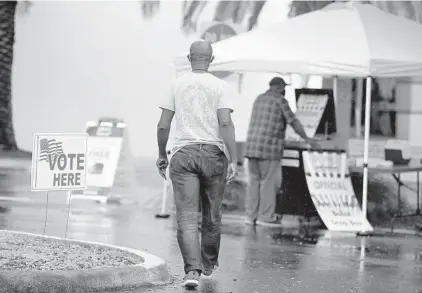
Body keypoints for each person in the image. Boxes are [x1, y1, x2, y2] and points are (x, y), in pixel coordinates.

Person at [156, 39, 238, 288]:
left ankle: (192, 272)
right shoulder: (221, 86)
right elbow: (225, 123)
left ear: (189, 58)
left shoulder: (176, 84)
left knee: (188, 218)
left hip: (183, 154)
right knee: (212, 215)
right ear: (211, 60)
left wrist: (162, 155)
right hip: (214, 155)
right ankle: (209, 265)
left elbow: (163, 125)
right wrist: (233, 158)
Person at [244, 77, 319, 227]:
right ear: (279, 88)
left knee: (254, 182)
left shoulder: (259, 98)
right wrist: (307, 139)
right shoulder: (280, 100)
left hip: (251, 148)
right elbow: (293, 121)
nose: (285, 91)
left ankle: (250, 216)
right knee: (269, 183)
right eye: (284, 87)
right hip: (269, 149)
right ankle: (265, 217)